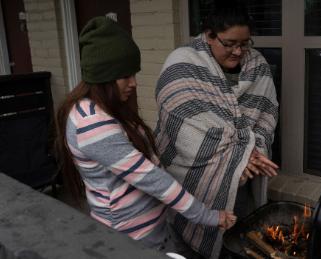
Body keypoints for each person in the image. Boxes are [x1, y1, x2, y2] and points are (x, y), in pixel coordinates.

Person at [55, 17, 236, 252]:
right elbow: (151, 178)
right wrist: (210, 216)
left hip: (151, 230)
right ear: (105, 77)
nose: (134, 83)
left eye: (134, 74)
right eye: (126, 76)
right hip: (131, 238)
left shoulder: (103, 108)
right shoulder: (93, 123)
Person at [154, 2, 279, 258]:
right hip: (192, 180)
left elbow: (267, 113)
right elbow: (183, 119)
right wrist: (243, 154)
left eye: (245, 43)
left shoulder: (257, 65)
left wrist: (250, 152)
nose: (238, 52)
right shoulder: (183, 62)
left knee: (236, 240)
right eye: (230, 43)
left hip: (240, 180)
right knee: (190, 248)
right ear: (209, 35)